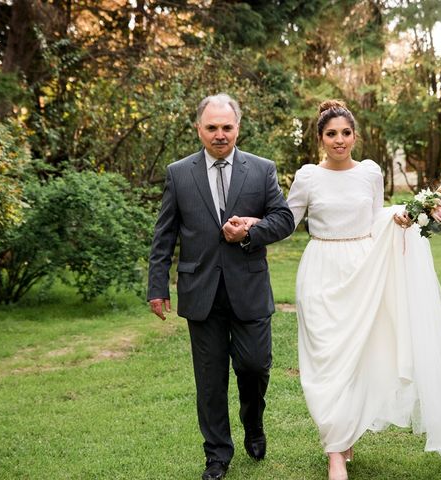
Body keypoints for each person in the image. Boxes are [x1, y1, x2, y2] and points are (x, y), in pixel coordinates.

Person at [285, 100, 441, 480]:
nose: (339, 140)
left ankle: (337, 449)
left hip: (364, 269)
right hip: (320, 270)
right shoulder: (308, 176)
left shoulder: (370, 173)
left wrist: (402, 215)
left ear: (355, 136)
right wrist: (251, 228)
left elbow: (375, 216)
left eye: (346, 133)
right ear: (320, 138)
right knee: (324, 361)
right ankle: (336, 444)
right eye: (331, 134)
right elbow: (286, 220)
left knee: (357, 358)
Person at [146, 93, 295, 480]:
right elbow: (165, 235)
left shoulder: (261, 170)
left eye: (226, 127)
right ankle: (217, 455)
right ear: (199, 129)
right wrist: (157, 286)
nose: (219, 134)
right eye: (211, 127)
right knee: (210, 381)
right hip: (201, 294)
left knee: (254, 367)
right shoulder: (179, 173)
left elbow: (284, 220)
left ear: (238, 128)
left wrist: (250, 231)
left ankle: (254, 423)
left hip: (249, 289)